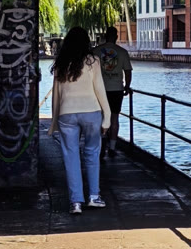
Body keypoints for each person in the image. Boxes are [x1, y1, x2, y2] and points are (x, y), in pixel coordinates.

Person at [48, 25, 110, 213]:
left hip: (66, 114)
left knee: (71, 157)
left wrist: (54, 122)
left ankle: (75, 202)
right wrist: (107, 117)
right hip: (91, 112)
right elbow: (100, 90)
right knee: (92, 153)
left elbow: (56, 95)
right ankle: (94, 196)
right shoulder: (93, 61)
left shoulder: (61, 64)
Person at [97, 26, 133, 159]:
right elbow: (128, 72)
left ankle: (101, 146)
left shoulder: (96, 51)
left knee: (100, 118)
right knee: (114, 118)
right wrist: (127, 86)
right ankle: (112, 148)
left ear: (105, 36)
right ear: (116, 37)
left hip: (99, 89)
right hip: (117, 89)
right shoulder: (122, 52)